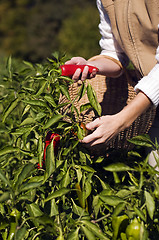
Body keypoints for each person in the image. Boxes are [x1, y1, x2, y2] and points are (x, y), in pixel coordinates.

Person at [65, 0, 159, 168]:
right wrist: (90, 66)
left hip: (149, 96)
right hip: (152, 105)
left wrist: (121, 120)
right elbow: (114, 51)